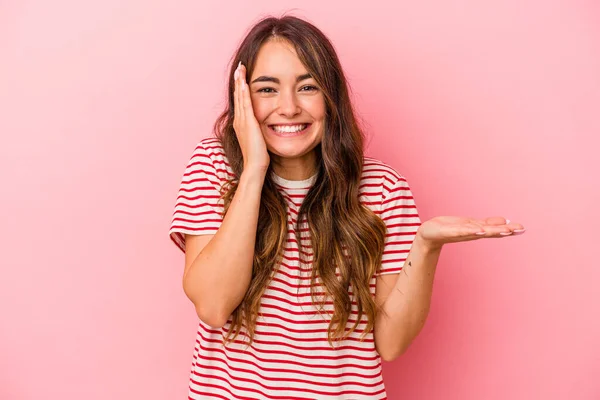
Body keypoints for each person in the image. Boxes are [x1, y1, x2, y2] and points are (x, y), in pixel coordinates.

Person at [168, 14, 526, 400]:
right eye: (267, 90)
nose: (288, 108)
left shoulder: (382, 189)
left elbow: (391, 344)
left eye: (307, 86)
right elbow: (213, 305)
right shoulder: (214, 168)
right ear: (242, 98)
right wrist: (254, 169)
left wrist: (425, 245)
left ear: (331, 96)